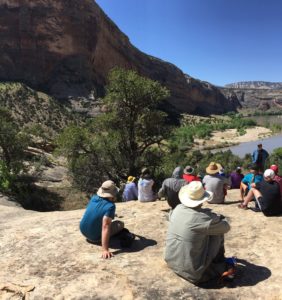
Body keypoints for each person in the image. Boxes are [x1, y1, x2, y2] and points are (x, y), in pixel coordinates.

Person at [164, 181, 231, 284]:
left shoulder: (177, 209)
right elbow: (226, 227)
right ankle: (218, 264)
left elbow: (176, 217)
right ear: (202, 200)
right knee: (218, 232)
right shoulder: (204, 218)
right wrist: (215, 218)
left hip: (171, 261)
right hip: (194, 274)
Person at [80, 180, 124, 259]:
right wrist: (105, 250)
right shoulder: (111, 206)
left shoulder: (94, 198)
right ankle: (102, 242)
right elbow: (105, 226)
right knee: (120, 224)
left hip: (83, 231)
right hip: (94, 237)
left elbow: (95, 212)